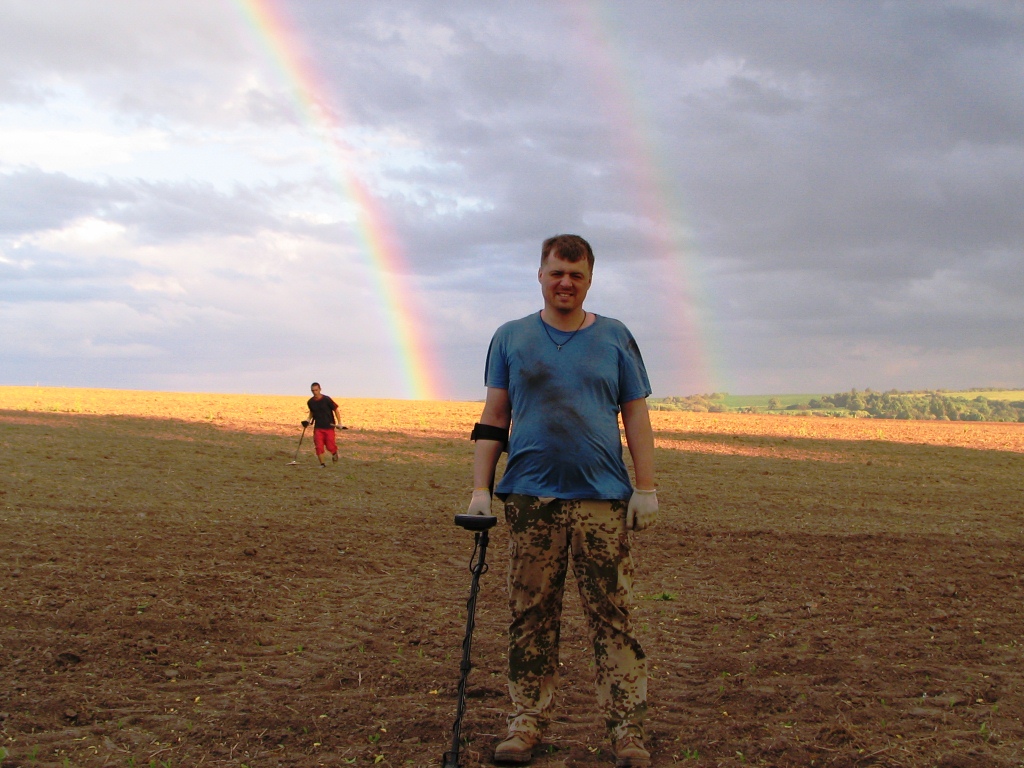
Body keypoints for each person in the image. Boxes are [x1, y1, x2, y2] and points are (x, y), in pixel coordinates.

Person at [467, 234, 659, 768]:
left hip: (602, 500)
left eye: (576, 275)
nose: (565, 283)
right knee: (530, 615)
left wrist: (646, 488)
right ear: (540, 275)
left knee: (613, 616)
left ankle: (627, 732)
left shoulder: (616, 337)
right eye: (556, 273)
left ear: (590, 279)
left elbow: (636, 416)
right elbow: (494, 416)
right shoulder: (510, 337)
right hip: (530, 499)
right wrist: (481, 489)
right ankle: (525, 723)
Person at [305, 382, 341, 467]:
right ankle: (322, 464)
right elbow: (312, 412)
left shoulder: (327, 399)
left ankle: (334, 452)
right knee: (319, 446)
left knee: (330, 446)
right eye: (313, 390)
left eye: (316, 390)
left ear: (320, 389)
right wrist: (308, 420)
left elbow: (335, 409)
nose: (315, 392)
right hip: (318, 428)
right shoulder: (310, 402)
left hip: (329, 426)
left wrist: (339, 422)